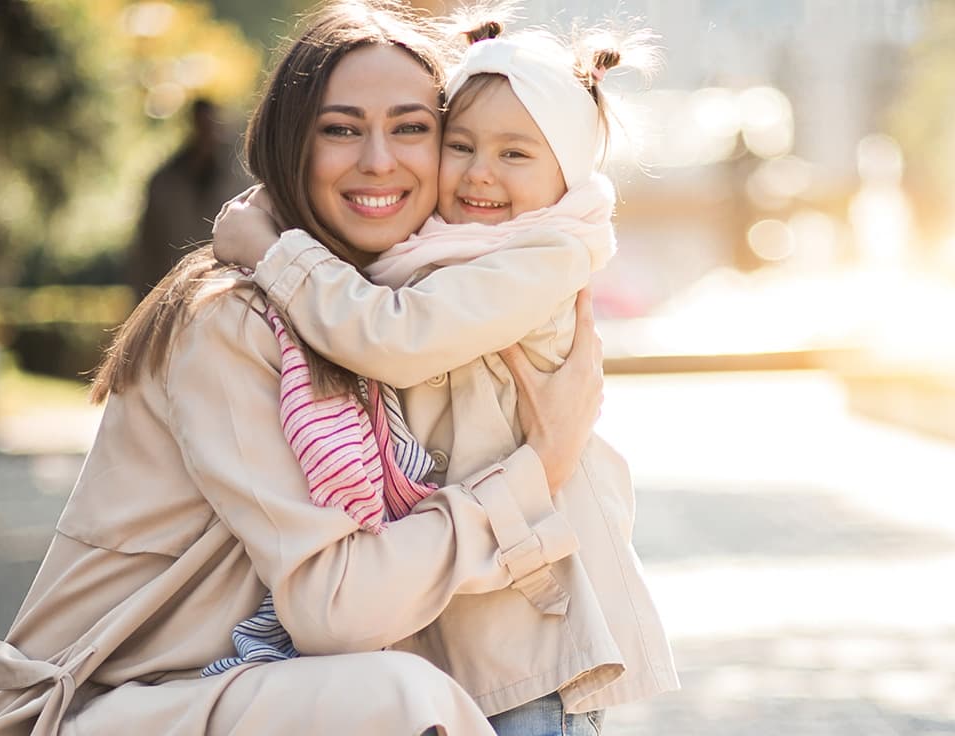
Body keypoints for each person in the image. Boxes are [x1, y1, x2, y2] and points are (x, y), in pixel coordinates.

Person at [0, 3, 607, 734]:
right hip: (111, 707)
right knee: (401, 700)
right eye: (339, 129)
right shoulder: (232, 318)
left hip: (238, 690)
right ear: (287, 143)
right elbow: (337, 609)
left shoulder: (376, 304)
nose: (378, 160)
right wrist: (540, 468)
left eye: (411, 128)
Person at [205, 16, 676, 732]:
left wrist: (275, 252)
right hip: (456, 596)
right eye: (461, 146)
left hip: (527, 621)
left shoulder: (540, 257)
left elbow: (392, 337)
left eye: (515, 153)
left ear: (566, 174)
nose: (481, 172)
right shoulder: (439, 249)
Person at [128, 98, 246, 298]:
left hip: (226, 293)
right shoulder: (165, 183)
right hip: (173, 293)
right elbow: (148, 248)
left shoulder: (241, 180)